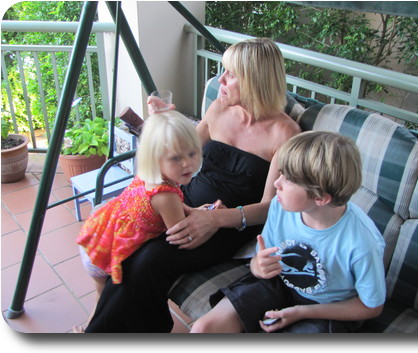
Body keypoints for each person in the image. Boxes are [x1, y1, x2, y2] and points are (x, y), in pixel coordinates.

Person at [84, 38, 301, 332]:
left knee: (148, 260)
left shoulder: (284, 133)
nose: (220, 79)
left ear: (256, 79)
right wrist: (165, 121)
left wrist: (214, 219)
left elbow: (271, 207)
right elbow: (182, 152)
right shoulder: (219, 109)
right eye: (223, 71)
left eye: (231, 74)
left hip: (228, 226)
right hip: (183, 203)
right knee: (126, 246)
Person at [190, 131, 386, 333]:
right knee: (204, 329)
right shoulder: (280, 206)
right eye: (281, 172)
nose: (277, 183)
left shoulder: (362, 243)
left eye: (289, 179)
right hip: (278, 284)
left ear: (321, 198)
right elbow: (260, 260)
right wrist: (259, 266)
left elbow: (371, 306)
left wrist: (302, 312)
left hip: (326, 309)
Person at [75, 111, 202, 330]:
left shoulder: (149, 176)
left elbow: (175, 208)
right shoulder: (166, 196)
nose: (187, 164)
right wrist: (206, 219)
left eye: (192, 154)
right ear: (155, 158)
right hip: (108, 254)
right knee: (108, 302)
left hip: (96, 240)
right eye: (176, 158)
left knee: (101, 301)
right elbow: (180, 234)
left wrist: (194, 209)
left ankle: (88, 331)